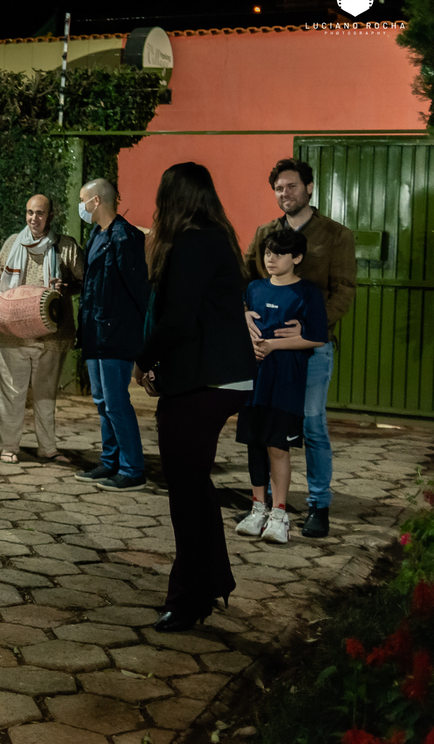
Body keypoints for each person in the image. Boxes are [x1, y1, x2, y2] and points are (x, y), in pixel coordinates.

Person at [133, 162, 257, 632]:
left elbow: (178, 321)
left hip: (204, 383)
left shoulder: (191, 244)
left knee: (186, 493)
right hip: (218, 379)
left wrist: (143, 360)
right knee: (195, 487)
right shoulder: (218, 238)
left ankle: (189, 600)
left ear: (174, 198)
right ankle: (209, 583)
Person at [243, 158, 356, 538]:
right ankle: (266, 504)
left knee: (311, 424)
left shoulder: (336, 235)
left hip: (311, 349)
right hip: (266, 351)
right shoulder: (265, 233)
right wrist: (244, 316)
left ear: (309, 187)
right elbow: (243, 280)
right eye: (278, 188)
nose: (284, 193)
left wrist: (312, 324)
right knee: (264, 423)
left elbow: (344, 290)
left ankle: (318, 505)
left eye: (291, 186)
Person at [235, 228, 327, 544]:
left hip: (285, 381)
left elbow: (317, 337)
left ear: (297, 258)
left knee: (277, 446)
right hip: (254, 380)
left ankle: (279, 514)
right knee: (254, 443)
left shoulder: (307, 292)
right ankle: (257, 508)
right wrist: (245, 326)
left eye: (279, 253)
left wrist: (273, 346)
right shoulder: (254, 289)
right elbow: (240, 320)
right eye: (267, 253)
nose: (270, 259)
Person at [0, 194, 84, 464]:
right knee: (12, 393)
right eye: (30, 212)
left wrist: (67, 287)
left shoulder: (66, 247)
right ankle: (9, 446)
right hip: (12, 335)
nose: (34, 218)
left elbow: (85, 281)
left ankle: (48, 448)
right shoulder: (12, 243)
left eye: (40, 213)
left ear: (51, 216)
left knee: (46, 395)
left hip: (51, 335)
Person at [75, 178, 150, 491]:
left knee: (117, 402)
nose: (81, 206)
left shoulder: (124, 237)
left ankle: (132, 469)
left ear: (96, 201)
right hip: (96, 332)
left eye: (83, 200)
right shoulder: (97, 234)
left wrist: (143, 338)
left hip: (115, 334)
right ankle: (110, 462)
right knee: (103, 401)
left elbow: (138, 289)